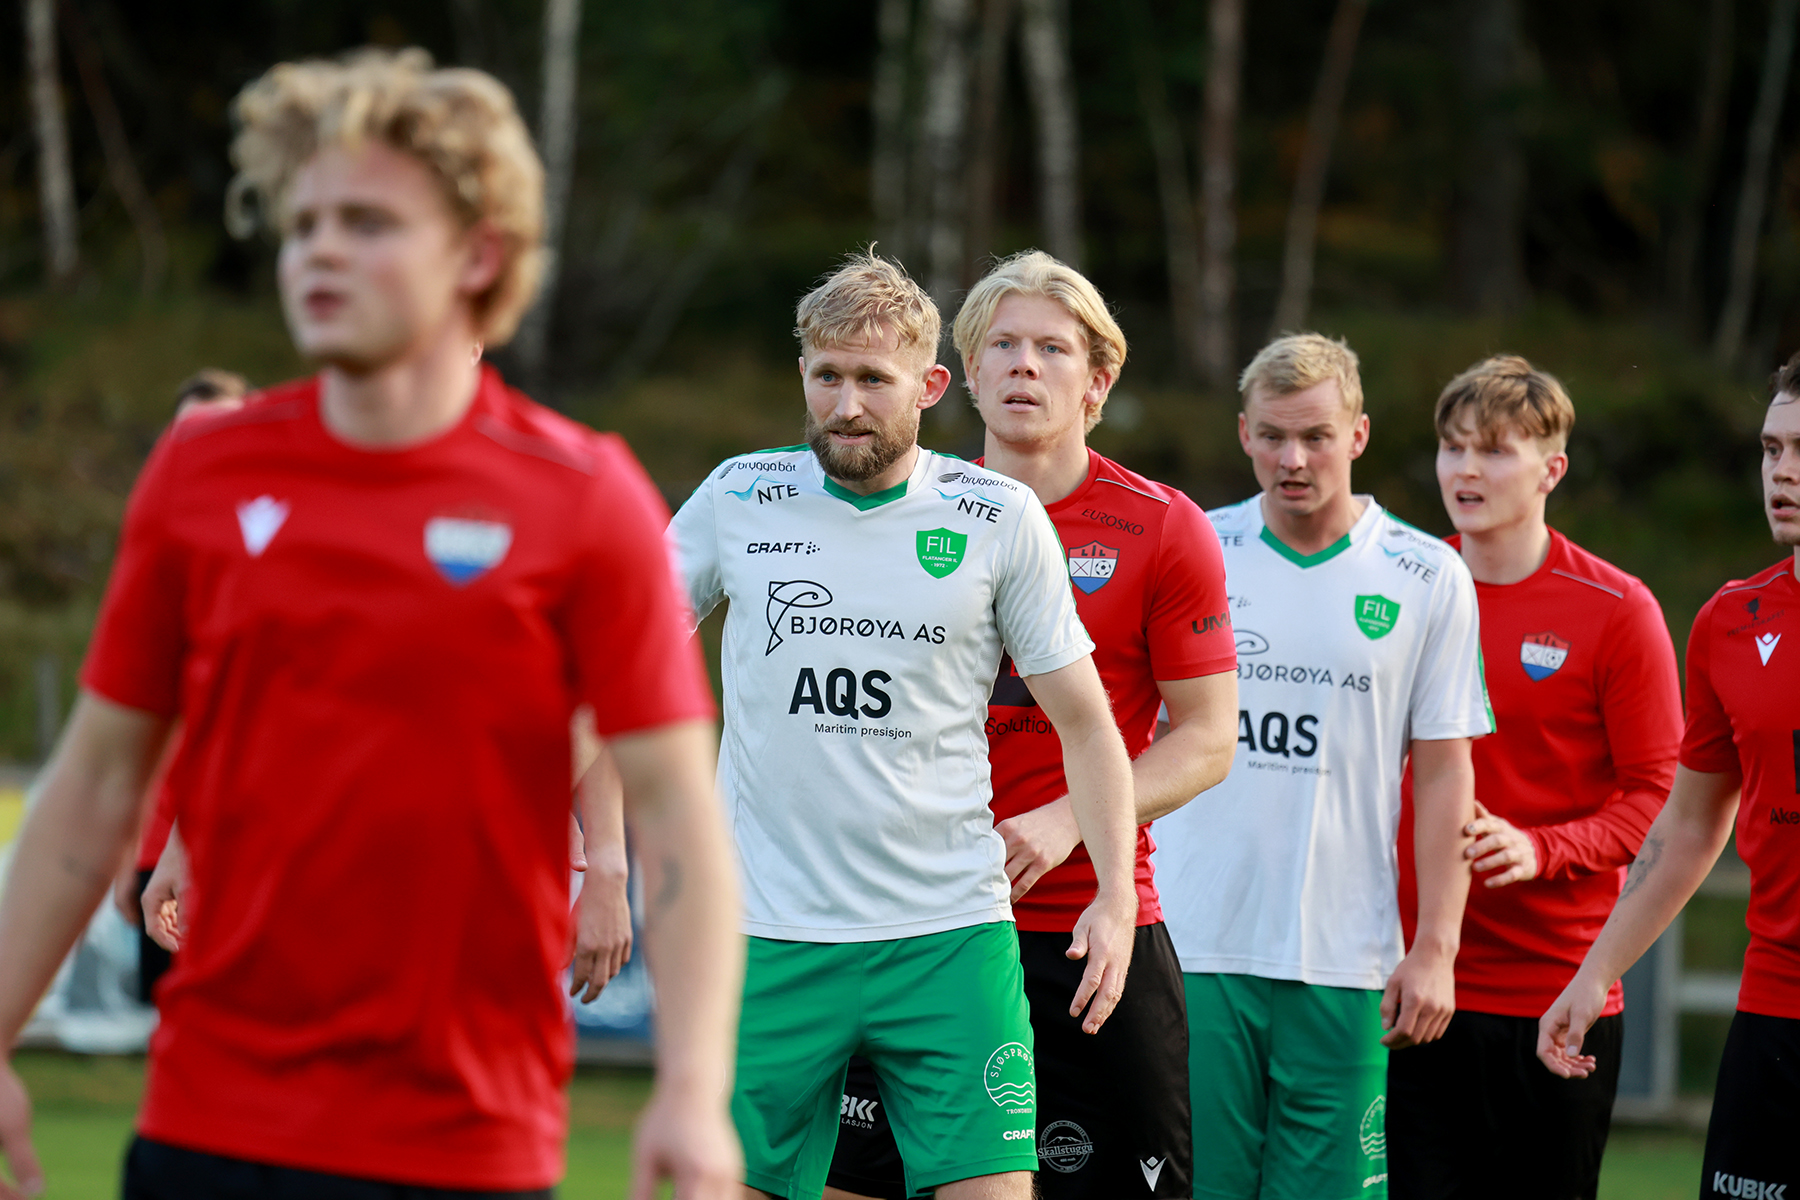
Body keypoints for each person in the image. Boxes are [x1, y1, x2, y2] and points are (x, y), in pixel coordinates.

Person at [0, 48, 742, 1200]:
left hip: (466, 1145)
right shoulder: (201, 475)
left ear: (478, 255)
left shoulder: (585, 499)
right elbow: (95, 783)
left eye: (368, 222)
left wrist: (691, 1095)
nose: (322, 251)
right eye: (303, 225)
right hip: (212, 1125)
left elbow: (683, 823)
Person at [669, 250, 1140, 1200]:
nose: (847, 405)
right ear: (802, 372)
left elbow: (1089, 726)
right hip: (768, 936)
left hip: (947, 939)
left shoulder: (997, 516)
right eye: (827, 376)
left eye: (872, 380)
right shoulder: (737, 496)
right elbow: (614, 664)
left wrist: (1117, 897)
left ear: (928, 385)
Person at [824, 250, 1238, 1200]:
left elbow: (1210, 738)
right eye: (1000, 345)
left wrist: (1065, 821)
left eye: (1051, 348)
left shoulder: (1163, 528)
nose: (1023, 365)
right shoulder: (885, 514)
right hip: (911, 922)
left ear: (1098, 380)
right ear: (961, 375)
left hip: (1088, 929)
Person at [1151, 333, 1490, 1200]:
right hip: (1197, 945)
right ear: (1242, 434)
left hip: (1344, 958)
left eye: (1315, 437)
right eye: (1271, 436)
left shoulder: (1429, 574)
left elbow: (1446, 772)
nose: (1292, 459)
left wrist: (1437, 948)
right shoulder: (1194, 546)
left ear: (1360, 434)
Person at [1385, 356, 1682, 1200]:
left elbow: (1660, 798)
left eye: (1495, 451)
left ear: (1552, 468)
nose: (1466, 470)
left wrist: (1542, 847)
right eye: (1451, 448)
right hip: (1404, 985)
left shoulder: (1618, 610)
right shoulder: (1399, 585)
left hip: (1555, 994)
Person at [1540, 352, 1800, 1200]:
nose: (1782, 472)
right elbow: (1690, 826)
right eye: (1770, 450)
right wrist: (1595, 971)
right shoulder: (1730, 621)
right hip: (1775, 1009)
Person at [108, 370, 255, 1004]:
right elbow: (124, 736)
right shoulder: (157, 553)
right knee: (179, 1030)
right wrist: (126, 853)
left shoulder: (279, 539)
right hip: (164, 845)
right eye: (189, 433)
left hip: (249, 844)